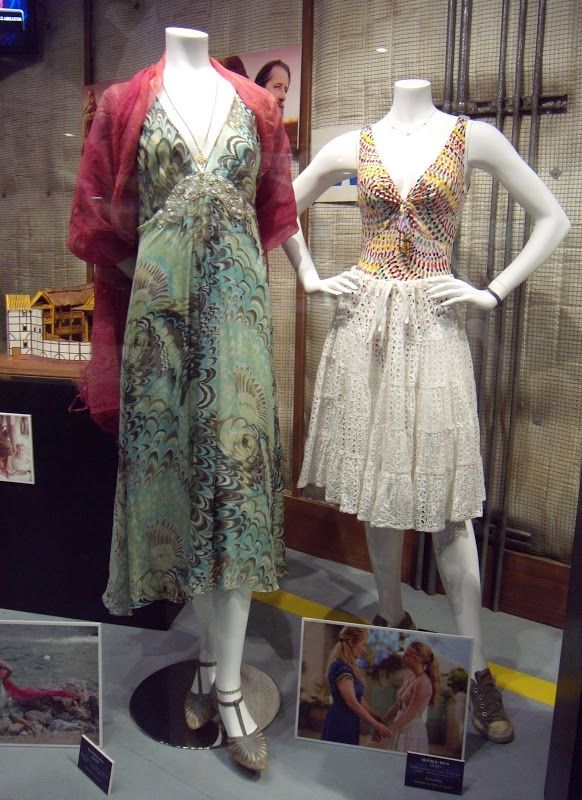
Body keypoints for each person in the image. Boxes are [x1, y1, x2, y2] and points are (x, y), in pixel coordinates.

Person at [68, 27, 345, 774]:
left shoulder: (256, 106)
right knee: (179, 488)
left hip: (236, 321)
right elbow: (96, 219)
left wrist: (288, 273)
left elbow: (276, 209)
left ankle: (227, 688)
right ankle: (201, 664)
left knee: (236, 484)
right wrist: (158, 263)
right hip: (159, 323)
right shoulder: (125, 102)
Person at [289, 78, 570, 745]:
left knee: (449, 508)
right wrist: (308, 275)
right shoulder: (355, 144)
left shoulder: (470, 137)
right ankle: (393, 626)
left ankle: (473, 673)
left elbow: (554, 216)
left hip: (436, 328)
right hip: (366, 329)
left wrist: (492, 290)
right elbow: (277, 207)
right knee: (381, 495)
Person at [321, 626, 391, 745]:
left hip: (350, 720)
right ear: (351, 642)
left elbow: (358, 698)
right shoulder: (342, 669)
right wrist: (377, 726)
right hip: (341, 722)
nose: (364, 650)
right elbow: (352, 703)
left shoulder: (348, 667)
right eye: (363, 644)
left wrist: (375, 716)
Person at [377, 641, 439, 753]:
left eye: (407, 655)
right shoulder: (410, 677)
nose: (403, 657)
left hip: (412, 730)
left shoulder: (423, 682)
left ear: (417, 659)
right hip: (400, 725)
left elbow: (411, 713)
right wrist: (382, 721)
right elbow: (398, 705)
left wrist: (387, 731)